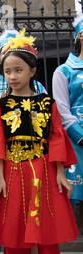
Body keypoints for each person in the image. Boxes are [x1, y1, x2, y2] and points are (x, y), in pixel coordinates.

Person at [0, 30, 79, 254]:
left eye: (18, 70)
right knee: (12, 232)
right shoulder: (2, 104)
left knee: (47, 232)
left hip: (44, 171)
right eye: (7, 71)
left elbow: (57, 137)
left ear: (32, 71)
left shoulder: (47, 104)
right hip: (13, 173)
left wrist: (61, 172)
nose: (12, 76)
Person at [52, 13, 83, 203]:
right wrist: (80, 135)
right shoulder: (64, 71)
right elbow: (62, 111)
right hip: (76, 140)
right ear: (80, 35)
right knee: (76, 200)